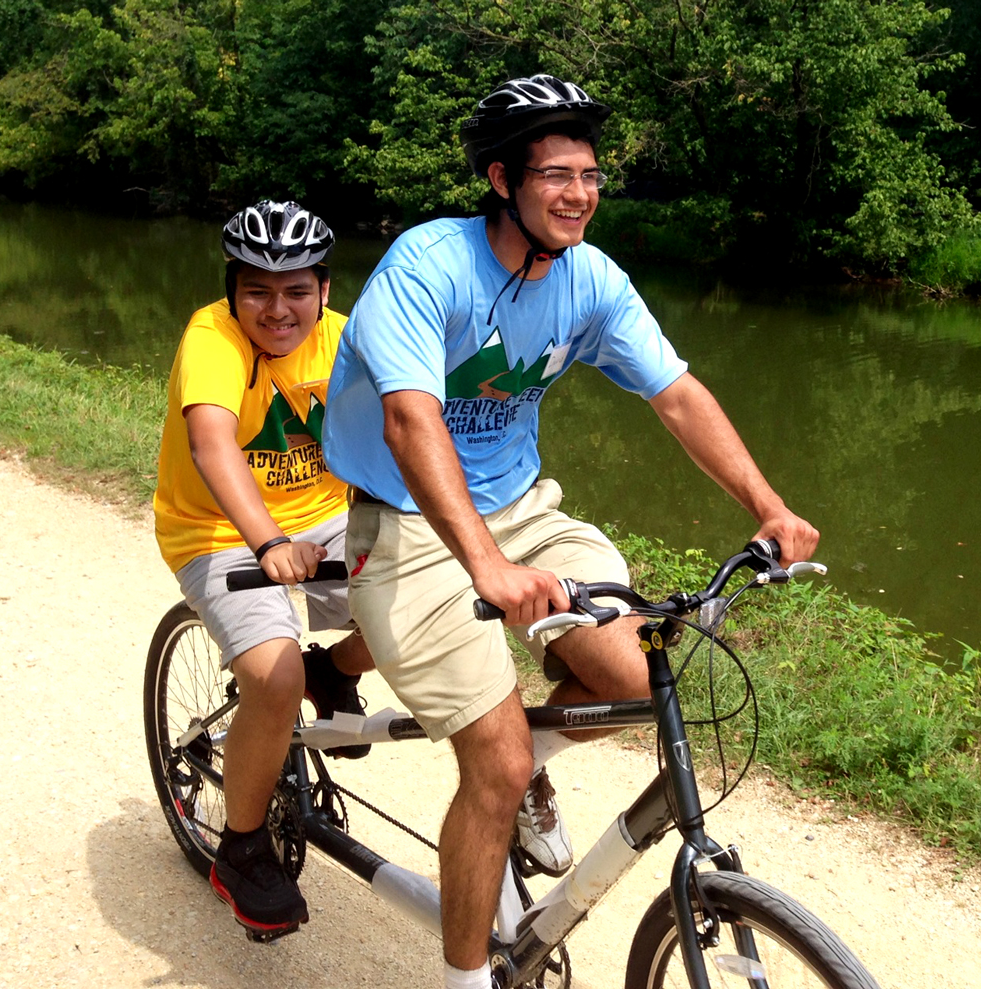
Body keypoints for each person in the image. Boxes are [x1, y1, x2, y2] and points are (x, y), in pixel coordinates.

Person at [323, 74, 819, 989]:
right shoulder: (428, 265)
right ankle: (469, 975)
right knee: (495, 762)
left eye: (591, 175)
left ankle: (528, 770)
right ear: (502, 180)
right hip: (407, 522)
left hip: (523, 508)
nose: (579, 194)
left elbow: (675, 394)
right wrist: (485, 565)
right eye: (556, 174)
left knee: (635, 675)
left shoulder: (590, 278)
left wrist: (768, 505)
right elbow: (409, 419)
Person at [153, 199, 375, 941]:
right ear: (232, 292)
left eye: (297, 291)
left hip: (325, 516)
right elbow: (213, 444)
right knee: (273, 680)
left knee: (424, 603)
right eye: (257, 291)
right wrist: (269, 540)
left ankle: (332, 671)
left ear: (325, 289)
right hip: (218, 528)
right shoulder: (211, 337)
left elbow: (401, 426)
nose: (278, 310)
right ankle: (242, 848)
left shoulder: (345, 338)